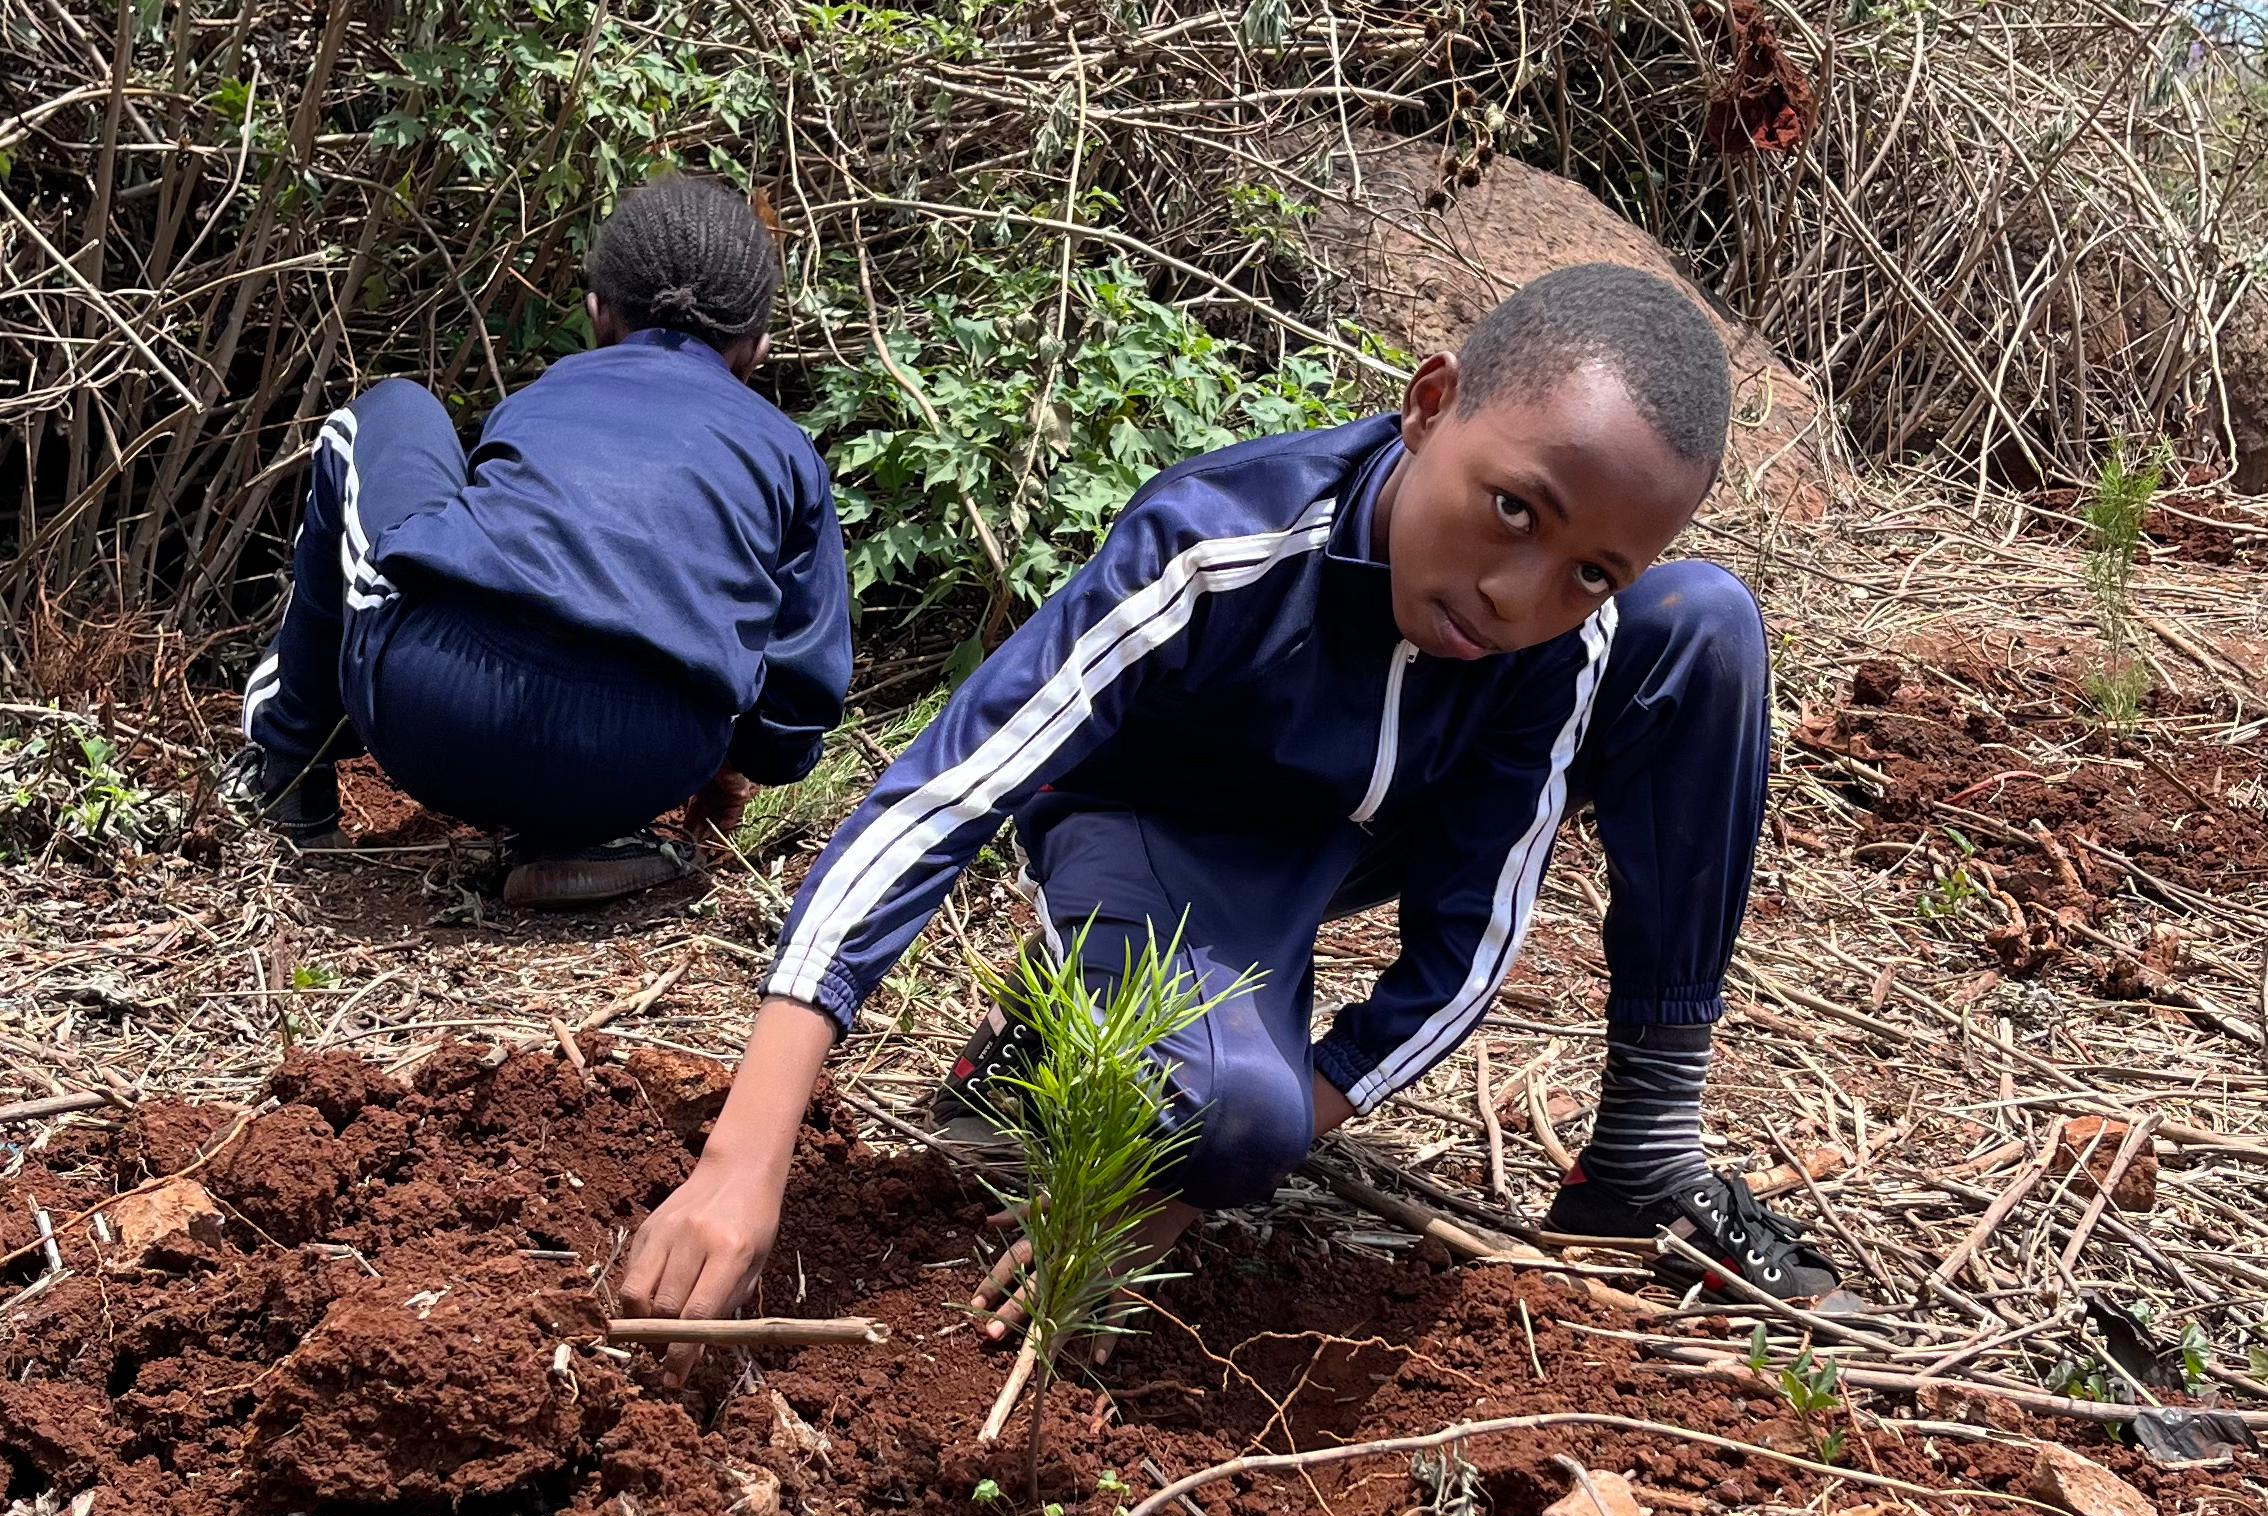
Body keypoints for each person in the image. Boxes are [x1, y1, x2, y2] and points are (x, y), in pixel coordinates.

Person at [618, 258, 1838, 1316]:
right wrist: (743, 1152)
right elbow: (946, 793)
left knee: (1705, 628)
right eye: (1511, 509)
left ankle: (1641, 1155)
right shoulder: (1218, 547)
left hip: (1367, 827)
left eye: (1589, 569)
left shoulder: (1552, 638)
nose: (1521, 594)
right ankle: (1069, 1026)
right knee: (1230, 1120)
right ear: (1428, 405)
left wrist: (1251, 1144)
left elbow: (1475, 929)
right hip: (1164, 831)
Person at [233, 176, 852, 910]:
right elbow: (800, 701)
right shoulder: (789, 457)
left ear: (597, 314)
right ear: (757, 349)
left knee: (387, 412)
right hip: (646, 761)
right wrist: (727, 770)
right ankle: (583, 841)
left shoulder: (545, 396)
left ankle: (286, 770)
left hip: (437, 713)